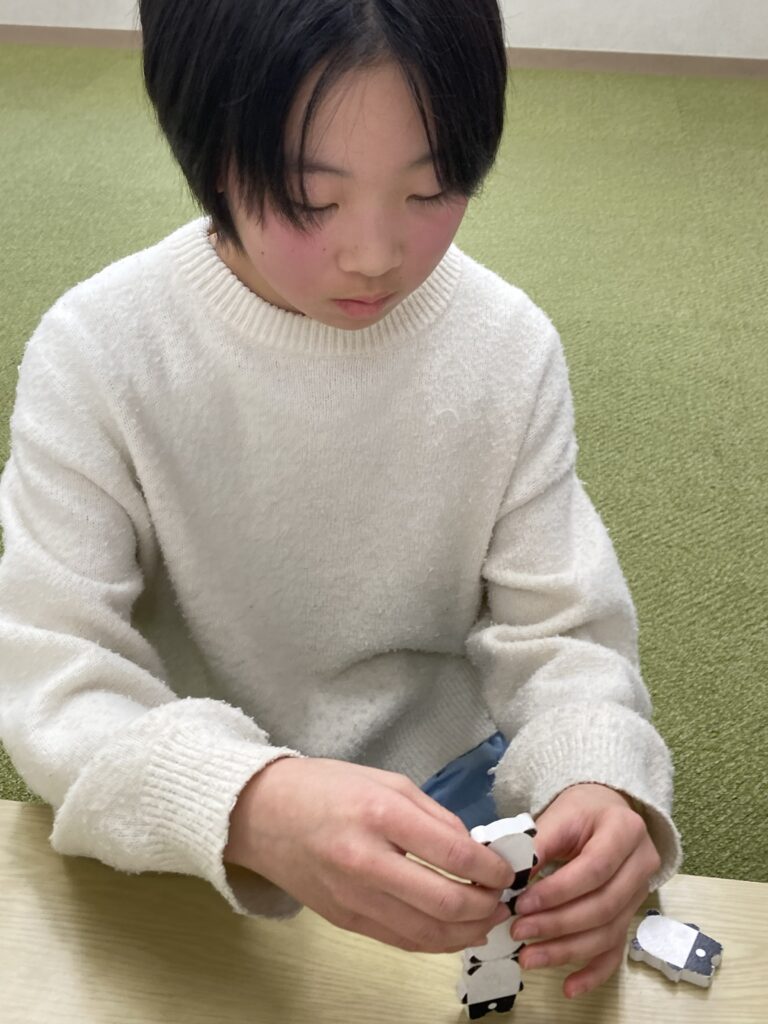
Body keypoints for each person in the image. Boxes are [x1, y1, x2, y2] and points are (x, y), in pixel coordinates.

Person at [0, 0, 682, 1001]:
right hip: (199, 800)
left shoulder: (506, 348)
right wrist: (252, 801)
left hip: (451, 787)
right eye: (311, 199)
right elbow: (51, 670)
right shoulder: (99, 353)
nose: (375, 253)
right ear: (207, 152)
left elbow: (565, 632)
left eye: (432, 186)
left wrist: (596, 772)